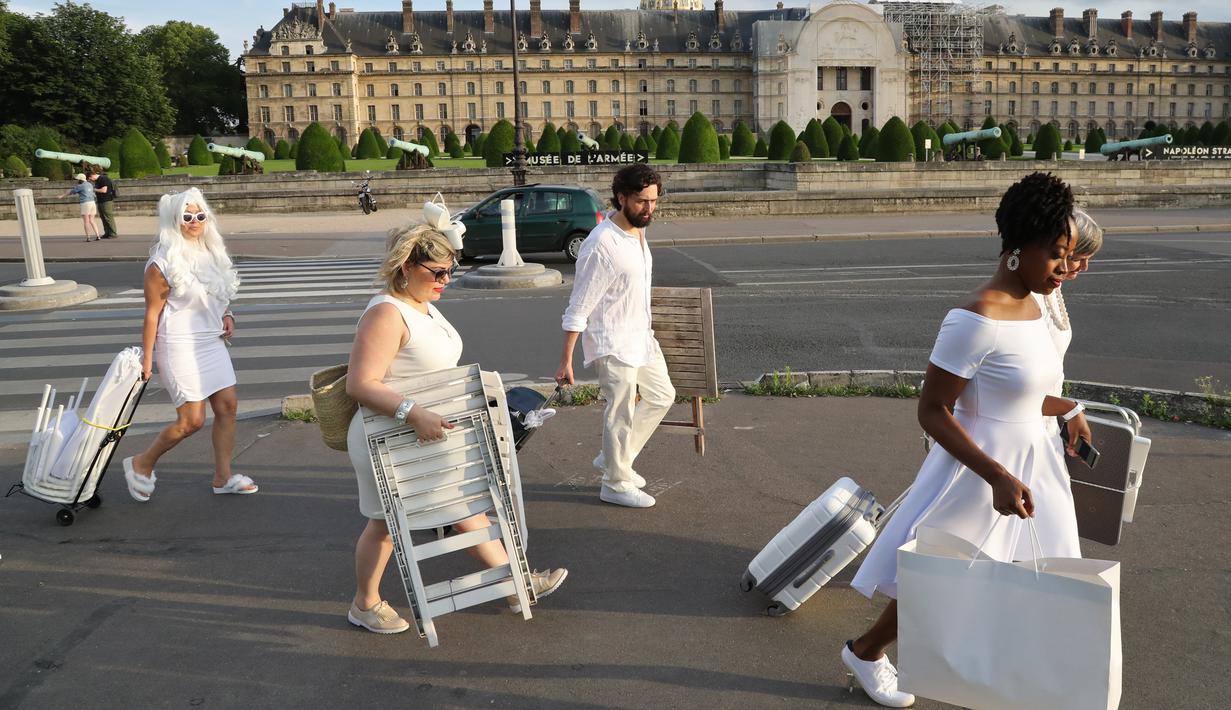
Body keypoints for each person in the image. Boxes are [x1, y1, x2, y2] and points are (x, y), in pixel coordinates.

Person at [841, 172, 1094, 707]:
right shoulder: (975, 317)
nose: (1063, 269)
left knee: (1030, 573)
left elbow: (1022, 393)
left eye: (1067, 255)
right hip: (982, 469)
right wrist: (996, 476)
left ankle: (1015, 680)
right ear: (1016, 248)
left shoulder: (1036, 305)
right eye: (1054, 255)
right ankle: (866, 652)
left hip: (1036, 461)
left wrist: (1068, 408)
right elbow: (932, 411)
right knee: (942, 576)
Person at [344, 223, 567, 634]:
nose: (446, 280)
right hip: (388, 436)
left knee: (465, 506)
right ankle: (365, 603)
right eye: (437, 272)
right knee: (386, 526)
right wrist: (414, 412)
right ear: (406, 266)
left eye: (451, 270)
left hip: (424, 433)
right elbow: (359, 384)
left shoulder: (422, 301)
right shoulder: (385, 313)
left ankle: (517, 584)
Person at [122, 188, 255, 501]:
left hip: (211, 342)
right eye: (186, 217)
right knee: (191, 421)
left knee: (227, 407)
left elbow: (215, 293)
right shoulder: (161, 263)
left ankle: (222, 477)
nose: (194, 222)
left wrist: (228, 313)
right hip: (178, 345)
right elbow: (152, 314)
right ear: (174, 220)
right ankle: (142, 462)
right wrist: (148, 360)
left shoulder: (211, 252)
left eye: (199, 216)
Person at [555, 163, 675, 509]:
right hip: (612, 341)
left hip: (641, 337)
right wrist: (565, 360)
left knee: (662, 395)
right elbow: (578, 306)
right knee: (619, 410)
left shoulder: (638, 231)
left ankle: (614, 459)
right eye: (641, 201)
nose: (649, 209)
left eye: (653, 201)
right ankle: (615, 482)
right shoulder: (601, 245)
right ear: (621, 198)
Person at [59, 173, 101, 242]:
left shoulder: (80, 186)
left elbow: (71, 192)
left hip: (85, 203)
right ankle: (98, 236)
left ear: (80, 180)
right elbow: (93, 194)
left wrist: (62, 196)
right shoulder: (90, 184)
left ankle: (88, 237)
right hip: (92, 203)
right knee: (92, 220)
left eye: (78, 179)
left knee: (86, 221)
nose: (77, 180)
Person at [89, 169, 118, 239]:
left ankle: (113, 233)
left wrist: (94, 190)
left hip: (106, 201)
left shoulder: (103, 179)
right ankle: (107, 233)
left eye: (90, 178)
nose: (91, 180)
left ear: (92, 175)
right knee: (103, 217)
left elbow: (104, 190)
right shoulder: (97, 180)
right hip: (100, 201)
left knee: (108, 217)